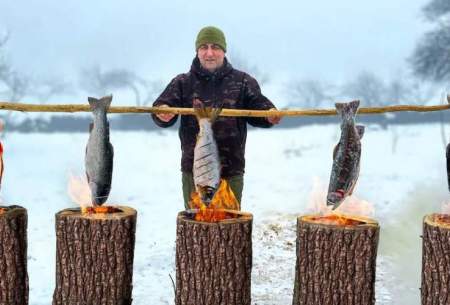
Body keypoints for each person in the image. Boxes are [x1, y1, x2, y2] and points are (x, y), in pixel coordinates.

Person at [151, 26, 281, 209]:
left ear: (224, 51)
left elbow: (260, 109)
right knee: (195, 228)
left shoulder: (243, 81)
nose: (209, 53)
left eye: (215, 47)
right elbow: (160, 108)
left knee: (230, 228)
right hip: (195, 171)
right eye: (204, 47)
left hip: (231, 171)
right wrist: (163, 113)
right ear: (197, 51)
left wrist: (270, 115)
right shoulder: (182, 82)